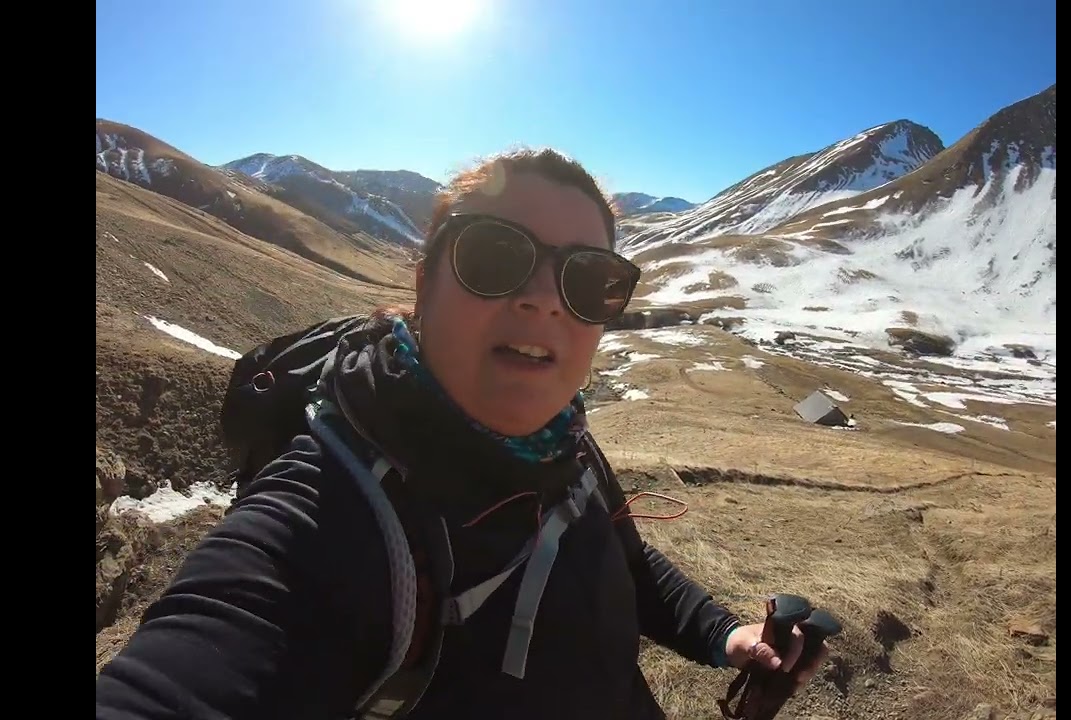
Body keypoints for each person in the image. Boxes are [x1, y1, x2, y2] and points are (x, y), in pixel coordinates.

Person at [95, 147, 829, 719]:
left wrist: (724, 635)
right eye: (494, 257)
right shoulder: (329, 515)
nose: (545, 300)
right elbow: (205, 655)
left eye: (589, 279)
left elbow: (621, 557)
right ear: (423, 283)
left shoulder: (562, 442)